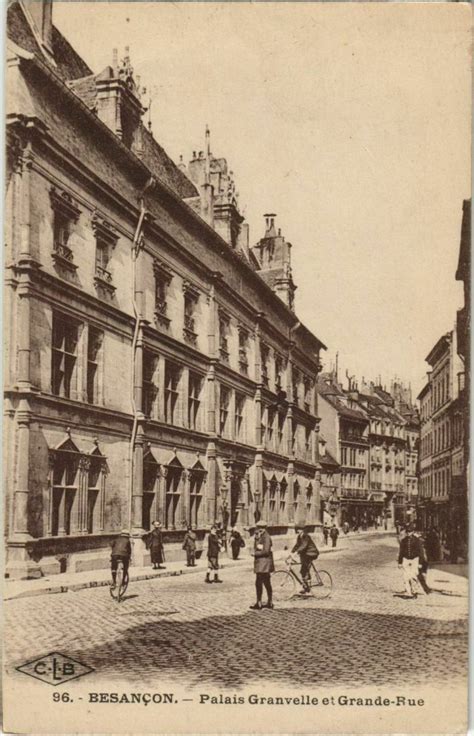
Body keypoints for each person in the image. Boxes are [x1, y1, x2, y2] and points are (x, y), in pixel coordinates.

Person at [250, 520, 274, 610]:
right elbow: (258, 546)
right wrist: (256, 538)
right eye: (258, 528)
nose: (259, 530)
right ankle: (262, 602)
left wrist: (255, 554)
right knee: (262, 582)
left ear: (264, 528)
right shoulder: (259, 536)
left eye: (261, 528)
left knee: (263, 582)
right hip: (260, 563)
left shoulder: (266, 537)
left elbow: (266, 551)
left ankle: (267, 601)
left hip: (264, 564)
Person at [291, 525, 320, 594]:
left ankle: (308, 586)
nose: (297, 531)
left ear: (302, 530)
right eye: (297, 529)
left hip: (311, 553)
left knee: (305, 569)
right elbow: (297, 545)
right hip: (305, 554)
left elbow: (304, 545)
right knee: (302, 571)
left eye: (299, 529)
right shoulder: (299, 536)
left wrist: (297, 552)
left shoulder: (306, 536)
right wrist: (291, 552)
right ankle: (306, 587)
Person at [398, 524, 422, 598]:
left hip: (415, 559)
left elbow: (420, 552)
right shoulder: (403, 541)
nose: (408, 533)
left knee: (414, 576)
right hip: (406, 559)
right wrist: (400, 562)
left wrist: (420, 562)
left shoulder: (417, 540)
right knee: (405, 576)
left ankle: (414, 591)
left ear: (413, 532)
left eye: (410, 532)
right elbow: (401, 552)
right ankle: (408, 592)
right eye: (407, 532)